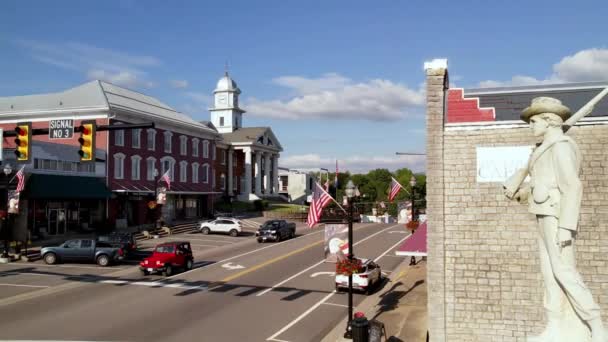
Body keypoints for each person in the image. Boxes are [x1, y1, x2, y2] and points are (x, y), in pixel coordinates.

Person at [504, 97, 605, 342]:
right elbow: (544, 184)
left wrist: (566, 228)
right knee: (549, 275)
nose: (531, 126)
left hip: (557, 218)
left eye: (534, 121)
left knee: (564, 271)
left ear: (549, 121)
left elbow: (572, 187)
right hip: (542, 215)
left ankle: (597, 325)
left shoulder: (561, 146)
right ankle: (554, 324)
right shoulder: (542, 149)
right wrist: (519, 193)